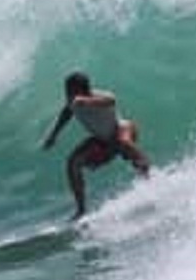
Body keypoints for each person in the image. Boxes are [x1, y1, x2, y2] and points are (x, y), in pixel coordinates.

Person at [41, 71, 150, 220]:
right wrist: (53, 135)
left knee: (124, 142)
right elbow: (66, 113)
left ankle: (150, 180)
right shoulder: (72, 102)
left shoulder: (95, 95)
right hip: (102, 140)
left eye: (68, 89)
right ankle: (81, 210)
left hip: (122, 129)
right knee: (73, 163)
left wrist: (86, 101)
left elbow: (111, 100)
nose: (66, 92)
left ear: (80, 89)